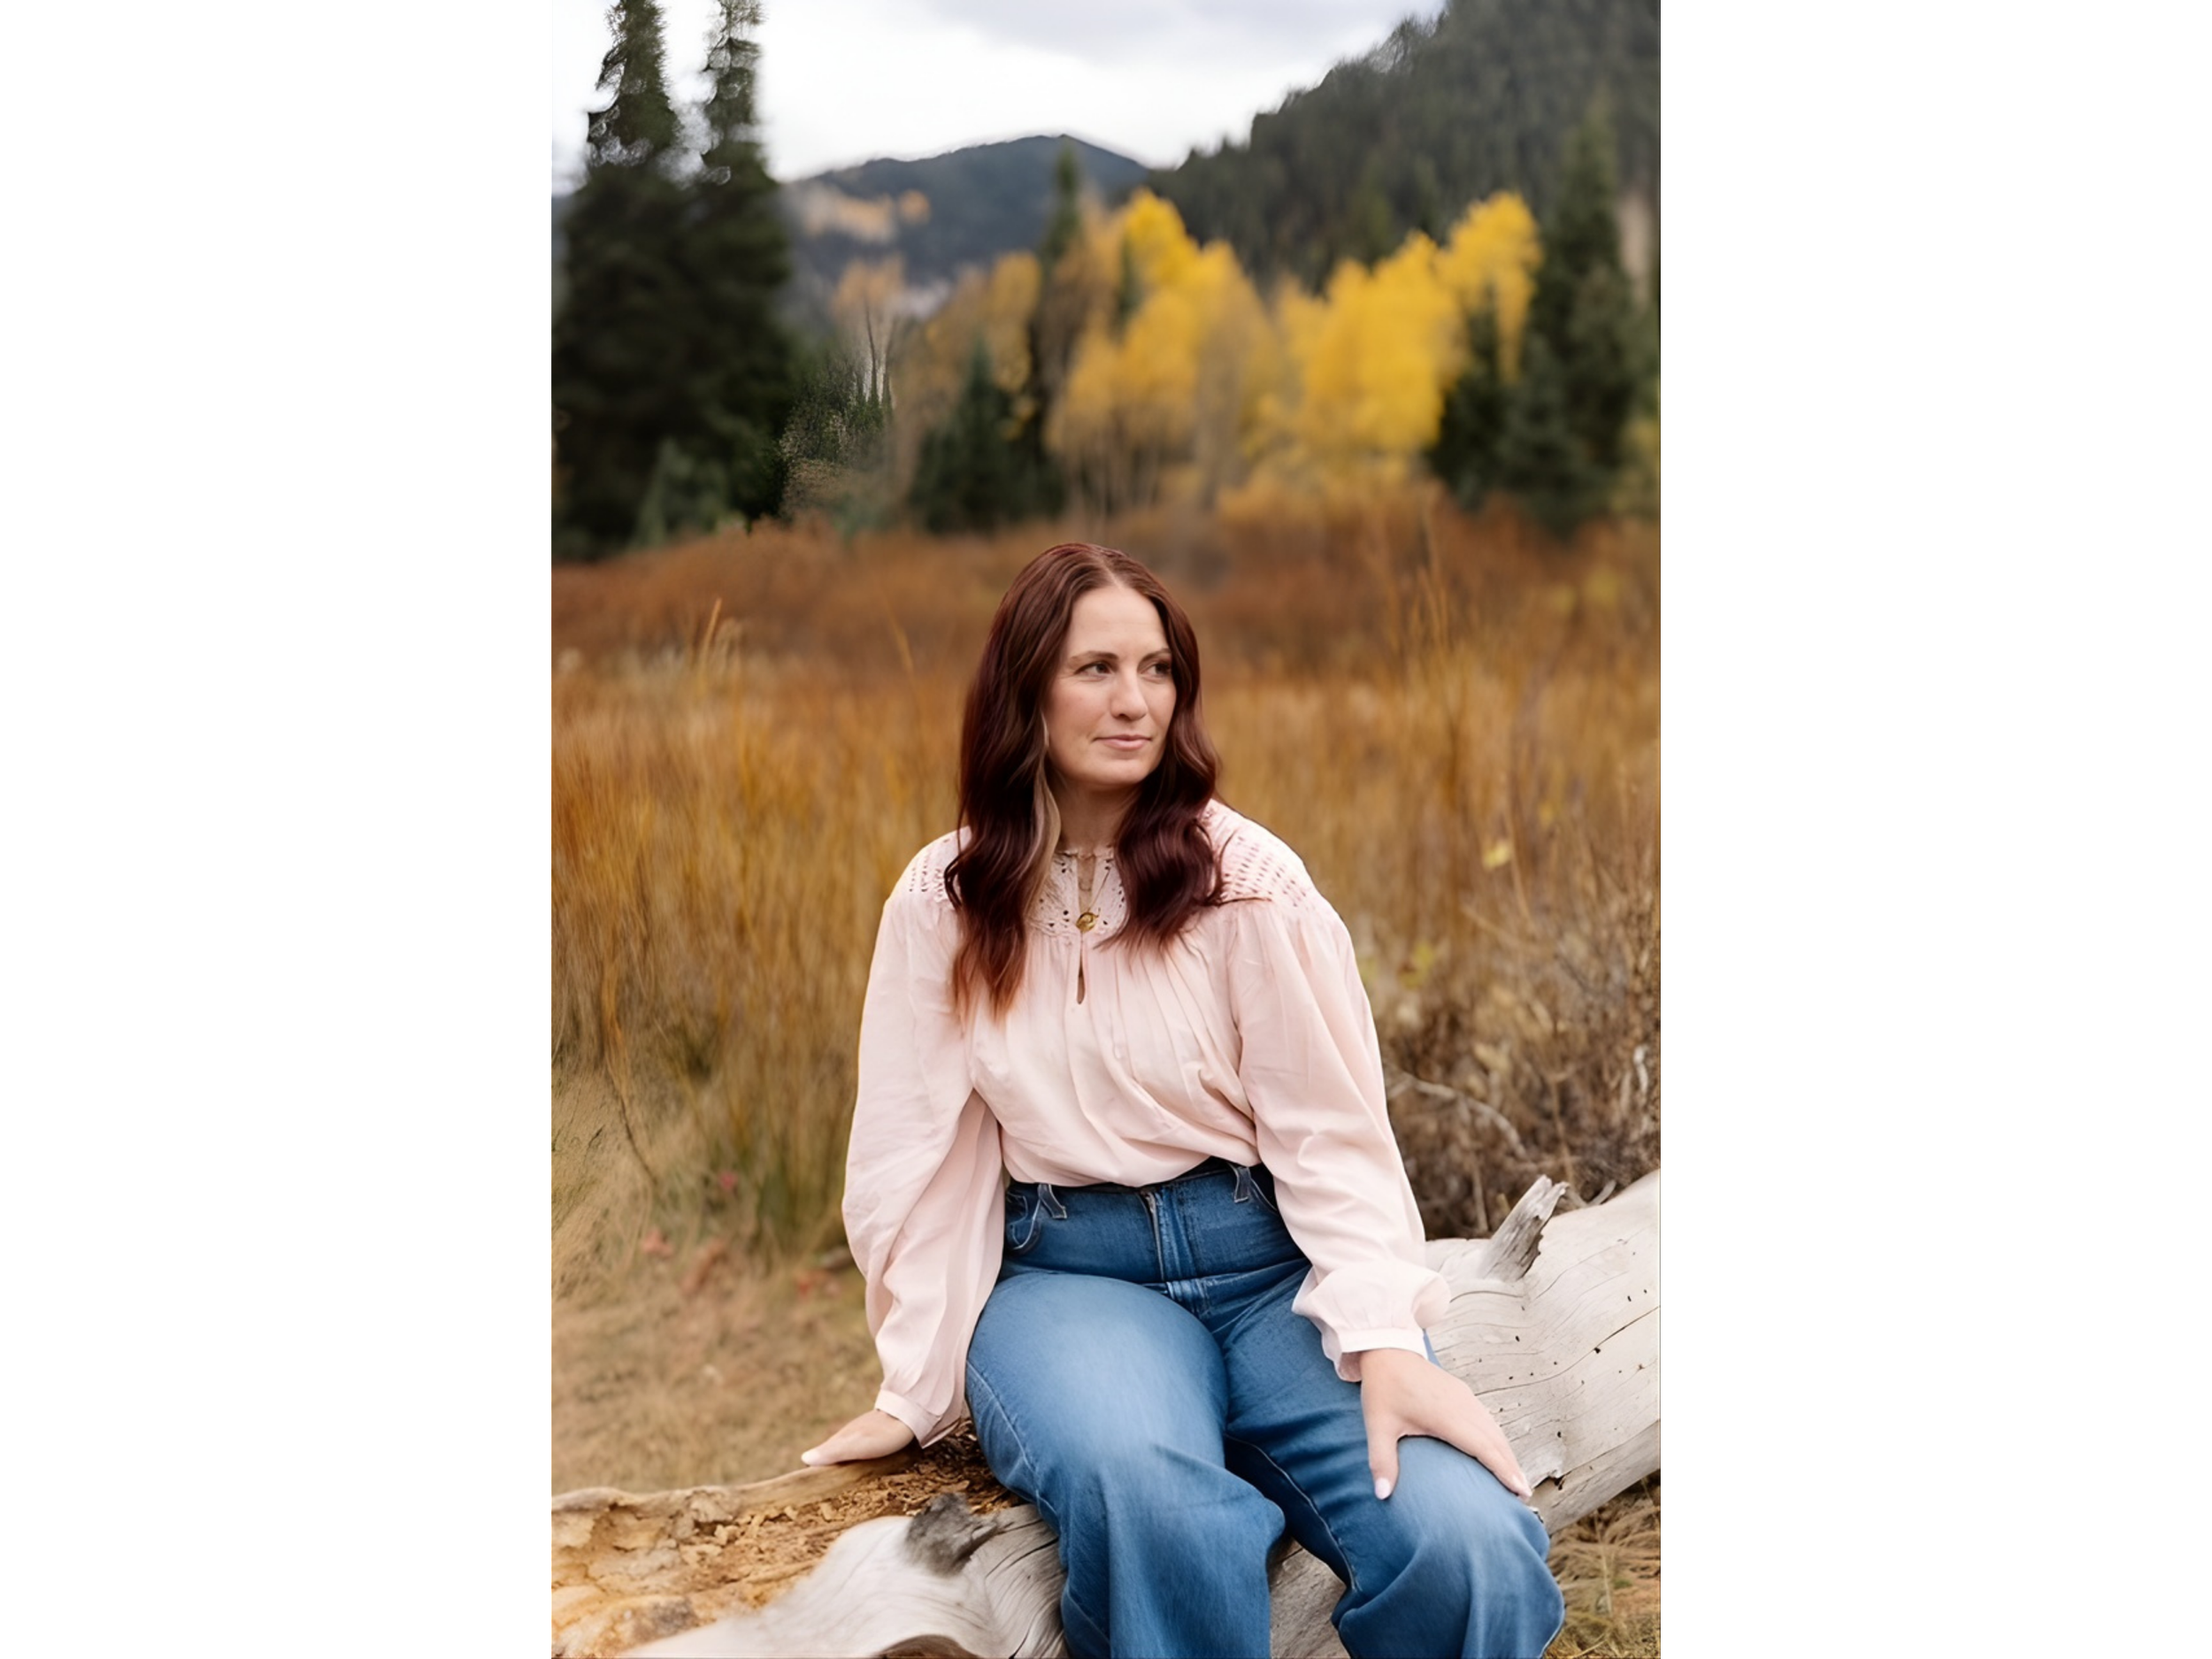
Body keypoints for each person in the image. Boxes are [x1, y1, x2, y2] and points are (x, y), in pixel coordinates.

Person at [801, 541, 1564, 1659]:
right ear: (1026, 691)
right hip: (1072, 1280)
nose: (1134, 701)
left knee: (1464, 1543)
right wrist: (915, 1383)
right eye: (1095, 668)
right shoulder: (947, 901)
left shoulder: (1246, 884)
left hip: (1275, 1272)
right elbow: (916, 1157)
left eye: (1157, 669)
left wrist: (1385, 1337)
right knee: (1158, 1505)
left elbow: (1335, 1138)